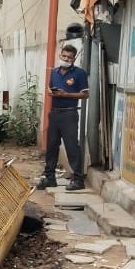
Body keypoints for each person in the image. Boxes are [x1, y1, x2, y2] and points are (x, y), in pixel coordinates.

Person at [36, 42, 89, 191]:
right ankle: (49, 177)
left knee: (72, 147)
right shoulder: (54, 72)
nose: (65, 59)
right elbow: (51, 89)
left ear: (73, 59)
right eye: (63, 56)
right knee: (52, 146)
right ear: (60, 55)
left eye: (69, 57)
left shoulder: (79, 73)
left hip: (69, 113)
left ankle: (78, 179)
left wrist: (66, 94)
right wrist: (52, 92)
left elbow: (85, 94)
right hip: (55, 113)